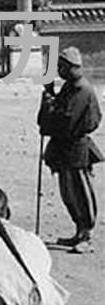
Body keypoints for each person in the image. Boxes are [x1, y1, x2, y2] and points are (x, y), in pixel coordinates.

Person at [37, 46, 103, 253]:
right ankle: (78, 232)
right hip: (64, 148)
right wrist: (50, 94)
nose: (59, 70)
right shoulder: (70, 87)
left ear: (72, 67)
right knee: (68, 193)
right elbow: (57, 111)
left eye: (62, 67)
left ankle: (86, 235)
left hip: (75, 148)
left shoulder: (82, 90)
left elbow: (65, 121)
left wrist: (49, 106)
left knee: (80, 192)